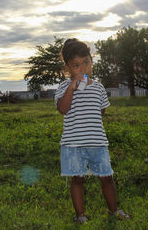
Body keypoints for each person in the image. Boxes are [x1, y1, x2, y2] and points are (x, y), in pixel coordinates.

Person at [54, 38, 130, 224]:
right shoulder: (64, 87)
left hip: (97, 143)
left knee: (107, 178)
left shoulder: (98, 87)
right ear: (68, 69)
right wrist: (72, 88)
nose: (83, 69)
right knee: (77, 180)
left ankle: (114, 211)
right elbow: (62, 109)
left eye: (86, 63)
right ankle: (81, 215)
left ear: (92, 61)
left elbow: (101, 111)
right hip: (73, 145)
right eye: (76, 65)